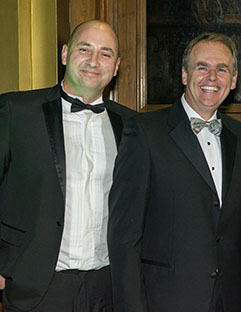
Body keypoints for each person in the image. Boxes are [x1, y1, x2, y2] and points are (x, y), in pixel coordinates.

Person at [108, 33, 241, 312]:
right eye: (202, 67)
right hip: (165, 299)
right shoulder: (145, 131)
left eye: (222, 69)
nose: (212, 77)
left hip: (230, 298)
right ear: (185, 75)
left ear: (234, 80)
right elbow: (124, 235)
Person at [0, 20, 135, 311]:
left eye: (105, 53)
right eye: (84, 49)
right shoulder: (15, 112)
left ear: (116, 66)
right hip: (36, 286)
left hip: (108, 288)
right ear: (64, 54)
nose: (93, 61)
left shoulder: (133, 125)